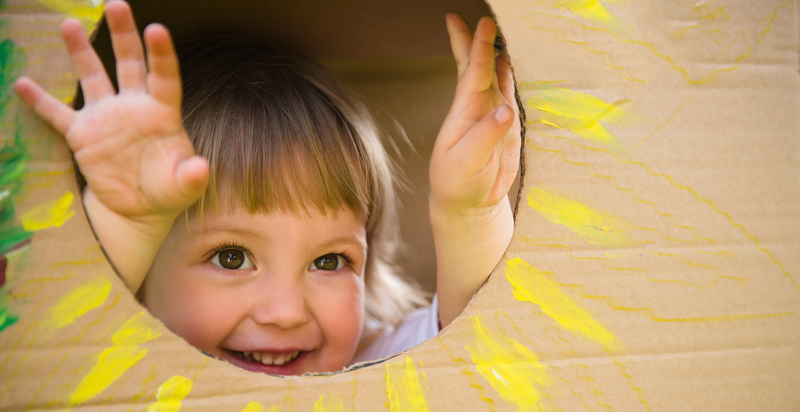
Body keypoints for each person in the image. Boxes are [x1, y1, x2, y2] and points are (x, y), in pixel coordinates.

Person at [14, 1, 520, 375]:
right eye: (231, 257)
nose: (285, 313)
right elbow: (61, 341)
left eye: (330, 261)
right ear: (138, 278)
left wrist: (468, 215)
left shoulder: (373, 363)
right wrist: (125, 226)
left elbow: (476, 336)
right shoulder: (112, 365)